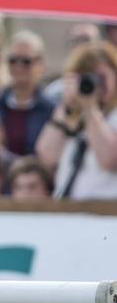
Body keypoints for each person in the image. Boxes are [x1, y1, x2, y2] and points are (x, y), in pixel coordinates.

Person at [36, 42, 117, 200]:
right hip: (69, 212)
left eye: (101, 77)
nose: (94, 84)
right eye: (87, 77)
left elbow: (109, 159)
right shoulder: (72, 119)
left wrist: (89, 108)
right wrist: (66, 106)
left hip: (107, 212)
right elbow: (47, 158)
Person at [0, 30, 55, 159]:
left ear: (41, 65)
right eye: (13, 60)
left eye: (26, 61)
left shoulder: (51, 109)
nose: (18, 67)